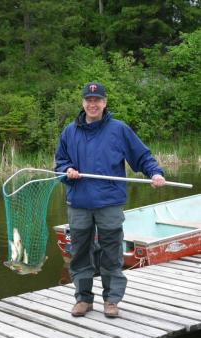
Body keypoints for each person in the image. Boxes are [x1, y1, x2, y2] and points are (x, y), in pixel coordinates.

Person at [54, 82, 166, 318]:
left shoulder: (119, 130)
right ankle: (83, 299)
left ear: (104, 103)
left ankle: (111, 300)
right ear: (83, 103)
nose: (92, 104)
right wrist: (67, 170)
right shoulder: (69, 132)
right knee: (80, 252)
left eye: (97, 100)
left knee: (112, 252)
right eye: (88, 100)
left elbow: (142, 156)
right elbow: (59, 164)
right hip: (79, 203)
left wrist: (155, 173)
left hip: (109, 202)